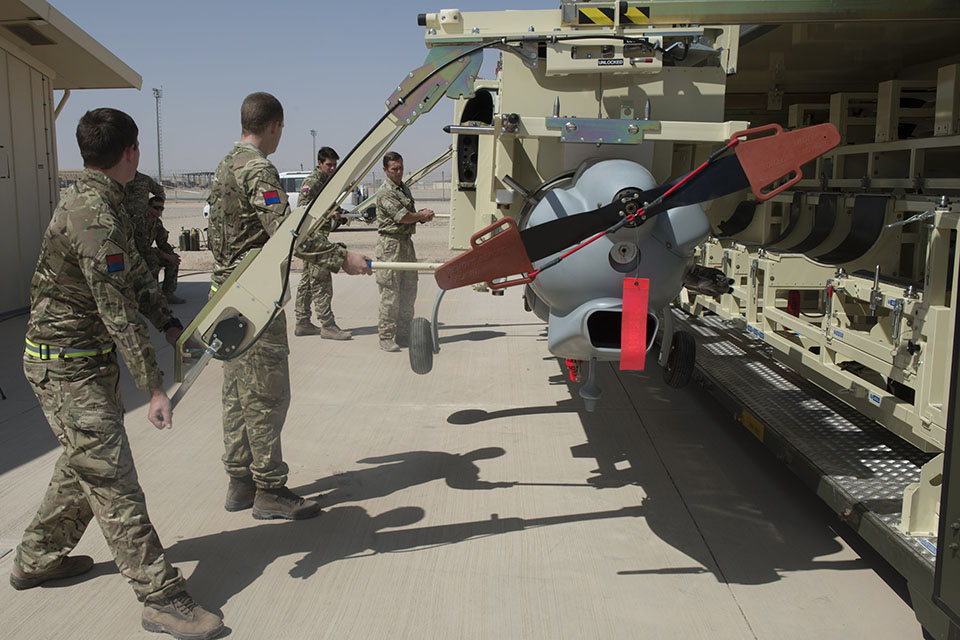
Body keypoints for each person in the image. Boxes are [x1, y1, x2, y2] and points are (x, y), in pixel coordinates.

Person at [10, 108, 222, 640]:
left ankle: (35, 558)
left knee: (84, 466)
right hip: (64, 368)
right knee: (113, 480)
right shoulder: (94, 215)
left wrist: (172, 324)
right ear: (131, 152)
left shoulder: (107, 201)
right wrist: (154, 386)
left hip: (84, 362)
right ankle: (160, 596)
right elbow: (116, 309)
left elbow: (135, 281)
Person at [207, 92, 371, 520]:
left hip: (224, 297)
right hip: (252, 300)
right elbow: (286, 234)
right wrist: (342, 258)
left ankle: (239, 482)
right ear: (275, 126)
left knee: (237, 394)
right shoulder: (259, 169)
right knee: (266, 394)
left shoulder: (226, 164)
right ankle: (269, 490)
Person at [375, 151, 433, 352]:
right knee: (390, 294)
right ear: (385, 170)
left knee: (409, 290)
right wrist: (420, 216)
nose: (398, 172)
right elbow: (402, 217)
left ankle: (403, 333)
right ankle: (386, 336)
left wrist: (421, 216)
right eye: (394, 169)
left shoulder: (402, 188)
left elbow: (410, 215)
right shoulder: (386, 192)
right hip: (391, 246)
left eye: (400, 168)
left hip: (406, 244)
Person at [293, 146, 350, 339]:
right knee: (321, 281)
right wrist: (327, 214)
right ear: (319, 163)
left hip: (320, 236)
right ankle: (328, 325)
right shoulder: (313, 182)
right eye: (329, 165)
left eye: (334, 165)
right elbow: (303, 208)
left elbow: (331, 205)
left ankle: (302, 322)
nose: (332, 168)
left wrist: (340, 214)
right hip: (313, 239)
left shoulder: (327, 181)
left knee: (307, 282)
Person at [135, 195, 184, 304]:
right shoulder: (139, 222)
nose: (158, 211)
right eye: (156, 208)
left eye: (161, 209)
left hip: (148, 253)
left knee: (173, 261)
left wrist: (171, 254)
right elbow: (143, 248)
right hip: (135, 254)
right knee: (153, 261)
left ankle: (168, 293)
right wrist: (166, 256)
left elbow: (162, 242)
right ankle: (153, 296)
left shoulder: (157, 223)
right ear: (148, 207)